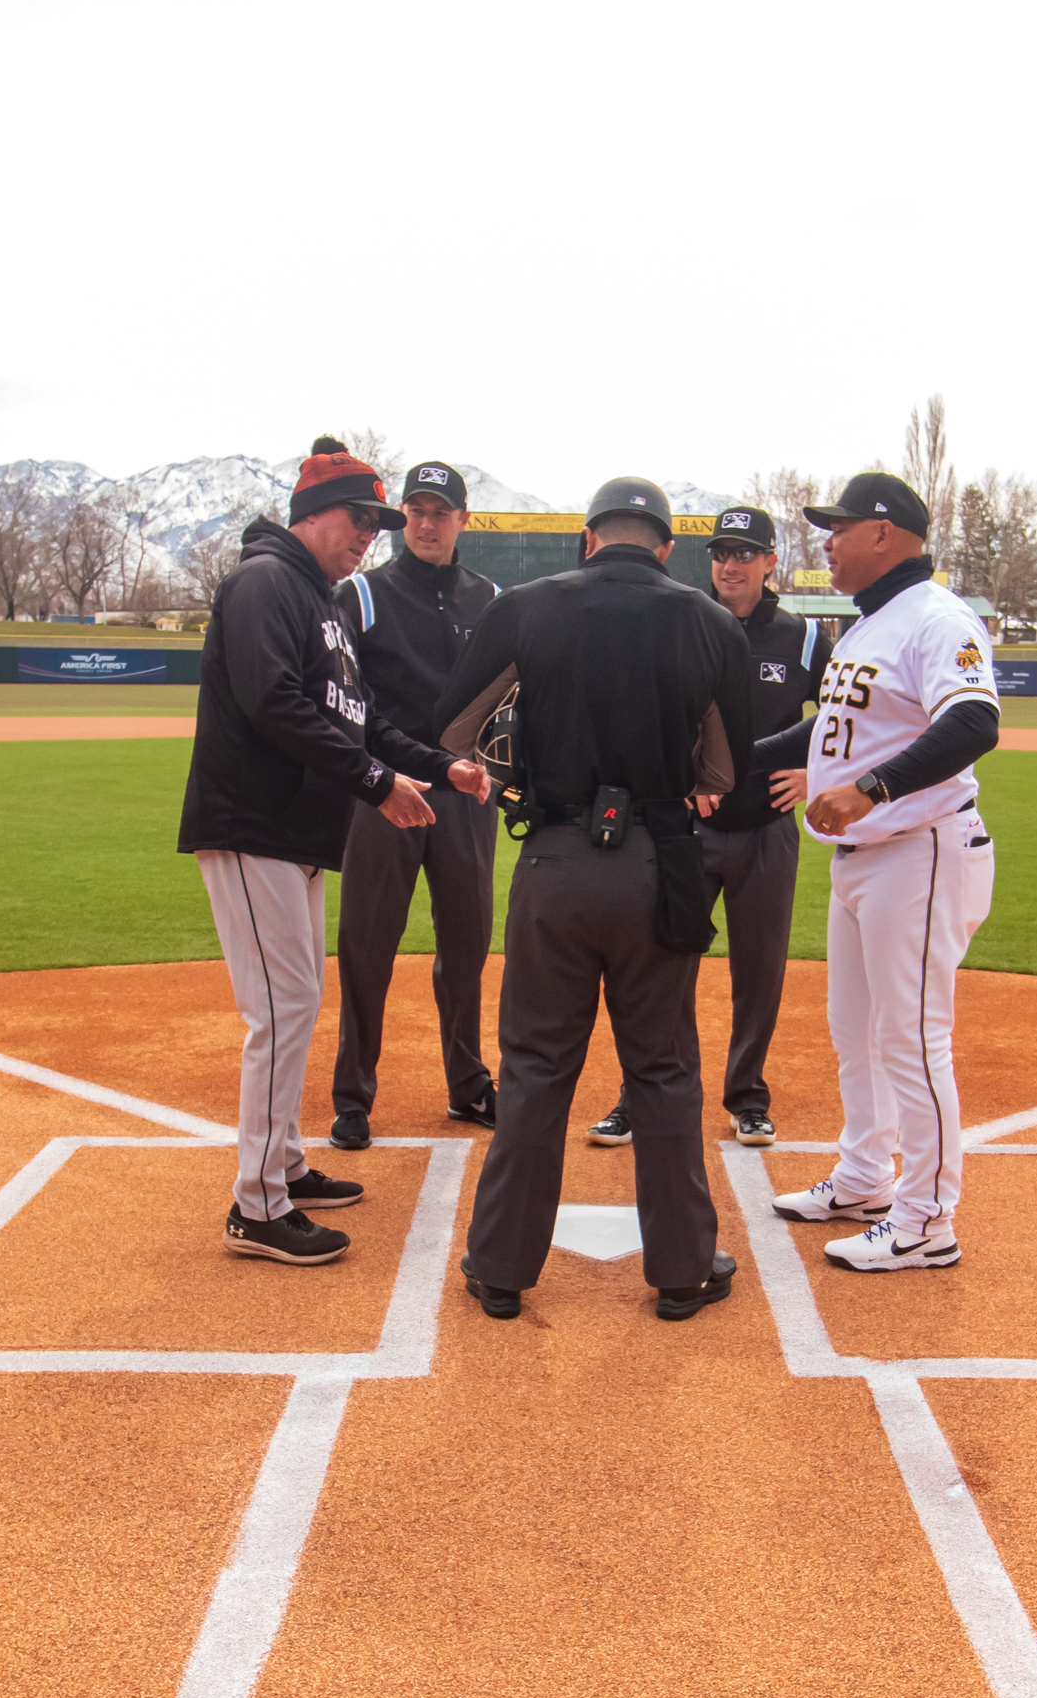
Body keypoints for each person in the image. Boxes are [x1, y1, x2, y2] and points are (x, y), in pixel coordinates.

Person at [435, 477, 756, 1322]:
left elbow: (456, 730)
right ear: (663, 547)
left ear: (587, 539)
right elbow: (726, 770)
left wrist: (516, 768)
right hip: (658, 862)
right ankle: (683, 1268)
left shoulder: (528, 608)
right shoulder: (707, 619)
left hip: (554, 860)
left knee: (537, 1067)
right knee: (664, 1069)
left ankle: (500, 1266)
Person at [176, 438, 491, 1266]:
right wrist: (376, 782)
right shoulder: (264, 581)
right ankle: (258, 1205)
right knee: (279, 1011)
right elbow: (272, 700)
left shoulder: (316, 598)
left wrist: (438, 766)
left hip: (293, 835)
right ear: (313, 515)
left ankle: (281, 1167)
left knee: (296, 1003)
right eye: (361, 519)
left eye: (375, 524)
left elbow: (364, 722)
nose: (371, 536)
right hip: (253, 824)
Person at [761, 472, 1000, 1270]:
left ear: (885, 533)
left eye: (839, 525)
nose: (826, 540)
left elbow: (974, 722)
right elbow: (826, 736)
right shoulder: (868, 626)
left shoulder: (936, 617)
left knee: (913, 1036)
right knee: (854, 1031)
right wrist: (720, 768)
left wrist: (871, 789)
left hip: (920, 849)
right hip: (867, 859)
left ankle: (928, 1217)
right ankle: (865, 1175)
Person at [586, 504, 823, 1150]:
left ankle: (748, 1096)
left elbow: (848, 718)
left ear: (771, 562)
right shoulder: (683, 620)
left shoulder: (803, 638)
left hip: (768, 829)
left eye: (745, 553)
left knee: (760, 970)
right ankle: (642, 1093)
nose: (731, 564)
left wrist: (818, 776)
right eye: (722, 552)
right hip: (690, 827)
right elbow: (648, 712)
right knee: (663, 965)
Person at [328, 461, 503, 1151]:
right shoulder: (362, 595)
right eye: (418, 511)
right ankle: (353, 1094)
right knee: (367, 945)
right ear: (404, 518)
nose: (428, 523)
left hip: (466, 794)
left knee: (467, 942)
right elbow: (350, 703)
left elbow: (506, 692)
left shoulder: (489, 597)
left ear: (464, 519)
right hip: (383, 790)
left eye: (442, 511)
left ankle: (467, 1084)